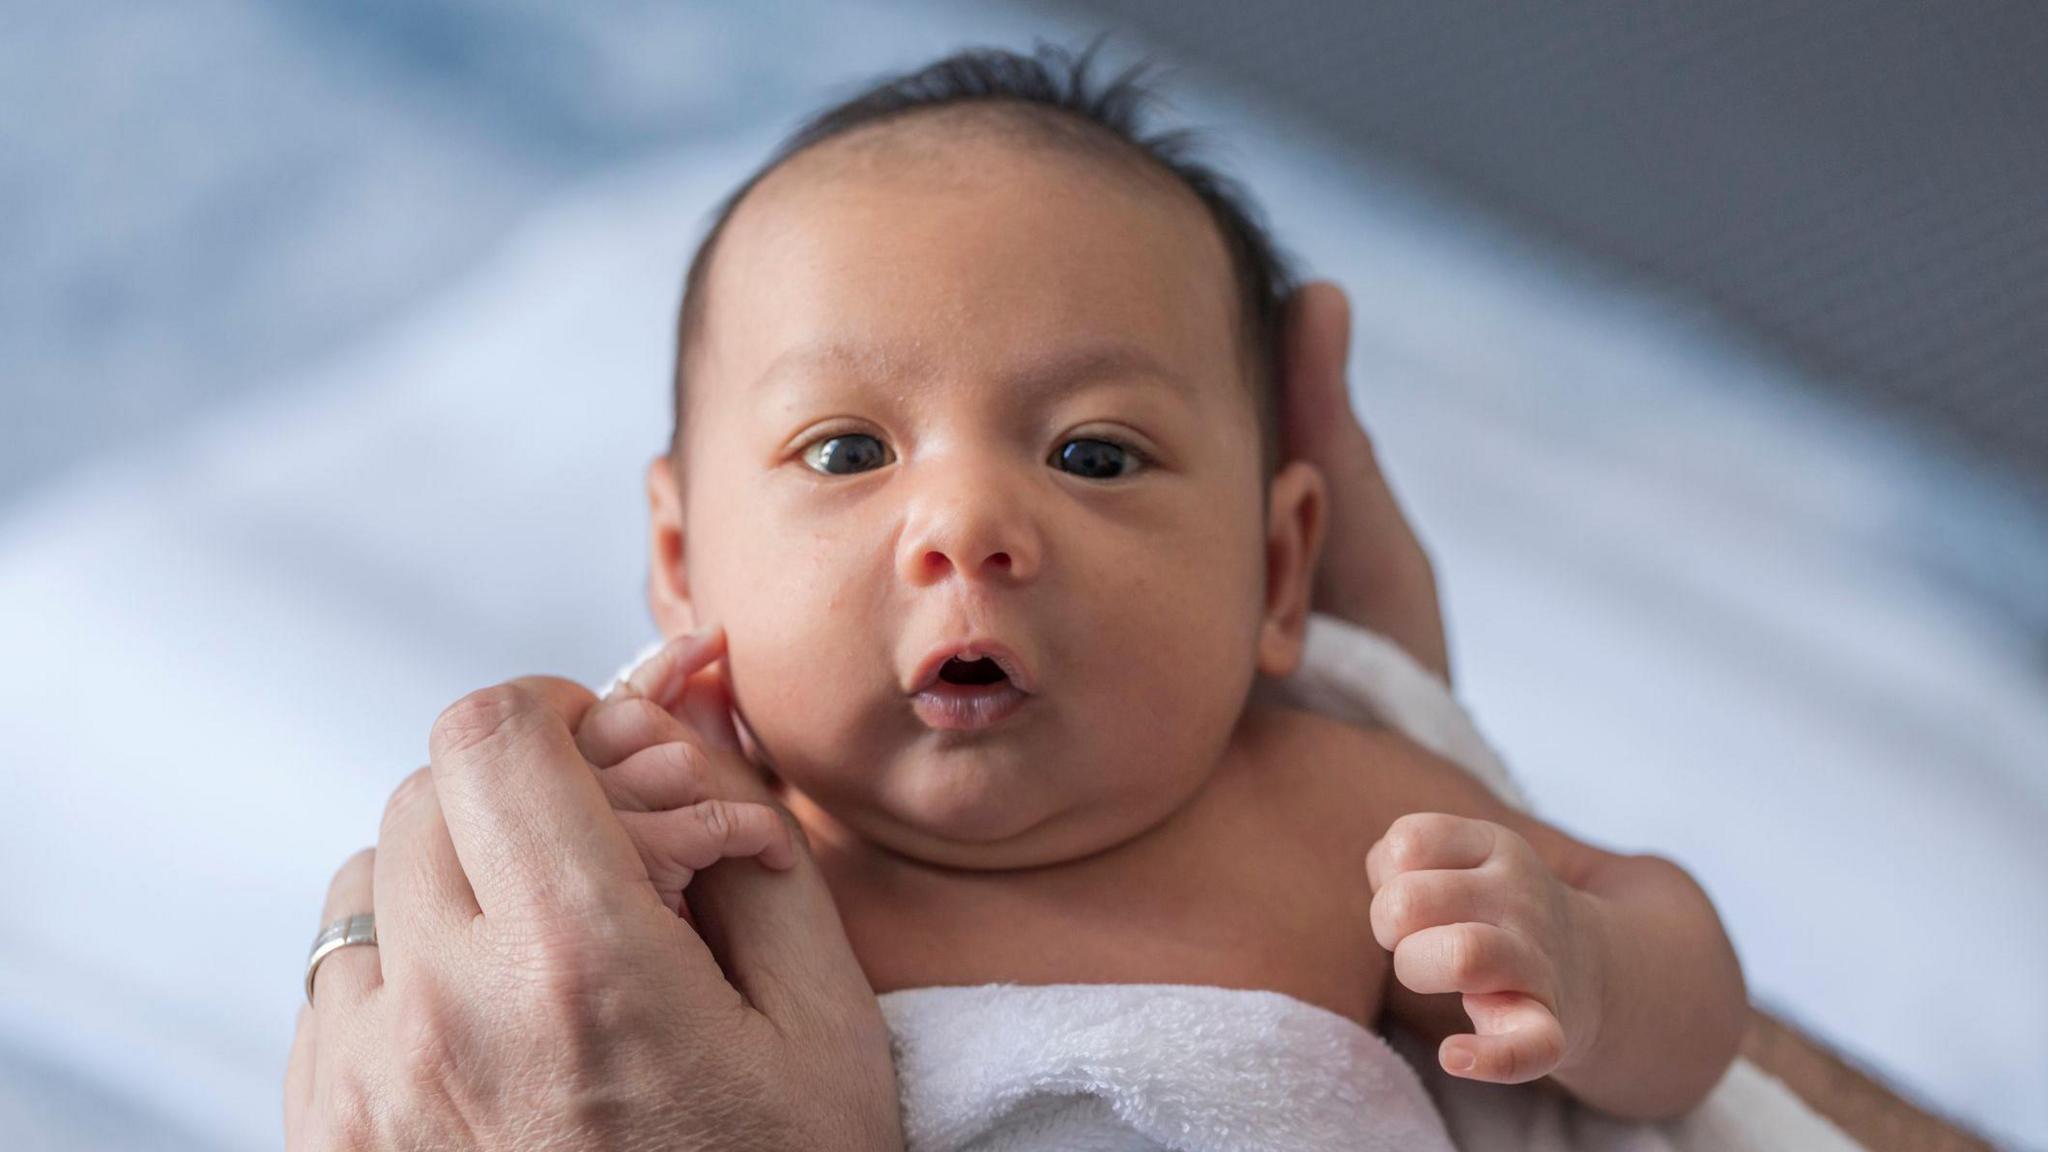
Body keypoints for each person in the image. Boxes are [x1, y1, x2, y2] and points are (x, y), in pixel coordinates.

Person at [287, 42, 1754, 1149]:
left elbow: (1675, 961)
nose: (969, 526)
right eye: (848, 450)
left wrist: (1587, 972)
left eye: (1095, 453)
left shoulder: (1332, 811)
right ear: (681, 562)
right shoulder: (676, 862)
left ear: (1278, 570)